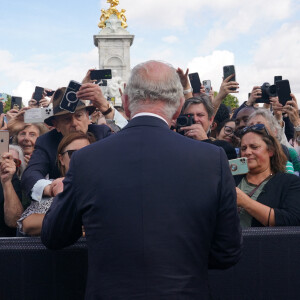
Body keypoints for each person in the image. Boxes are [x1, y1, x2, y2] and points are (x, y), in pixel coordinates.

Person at [41, 60, 242, 299]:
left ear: (125, 101)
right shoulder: (211, 159)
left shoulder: (86, 159)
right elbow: (227, 251)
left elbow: (55, 235)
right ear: (179, 107)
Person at [21, 86, 115, 201]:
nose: (74, 123)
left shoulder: (102, 133)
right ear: (56, 125)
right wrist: (51, 188)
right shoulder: (46, 142)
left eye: (78, 116)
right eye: (66, 119)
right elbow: (30, 174)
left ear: (87, 116)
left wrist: (107, 109)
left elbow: (126, 149)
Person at [18, 132, 95, 236]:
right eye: (73, 154)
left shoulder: (103, 185)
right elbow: (28, 224)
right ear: (61, 159)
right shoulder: (52, 186)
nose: (80, 158)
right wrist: (76, 222)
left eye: (86, 153)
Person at [235, 124, 300, 228]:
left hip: (262, 243)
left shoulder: (289, 182)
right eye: (243, 148)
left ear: (271, 151)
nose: (247, 152)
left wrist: (245, 202)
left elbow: (292, 220)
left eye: (254, 147)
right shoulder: (231, 178)